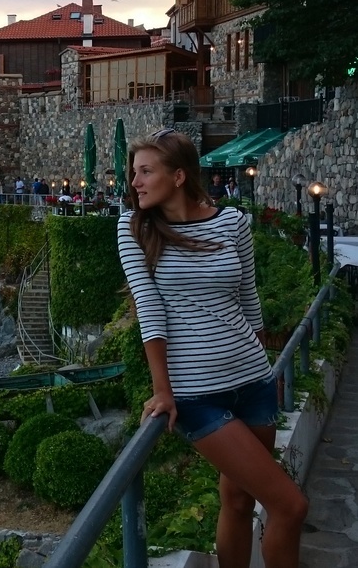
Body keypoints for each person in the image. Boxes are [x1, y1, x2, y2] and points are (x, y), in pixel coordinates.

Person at [117, 129, 307, 568]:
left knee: (239, 499)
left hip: (254, 381)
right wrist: (162, 391)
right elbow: (149, 308)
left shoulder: (232, 221)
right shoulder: (133, 228)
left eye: (145, 171)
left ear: (178, 175)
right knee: (291, 506)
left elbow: (248, 297)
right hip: (197, 394)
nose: (135, 182)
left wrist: (265, 365)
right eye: (134, 173)